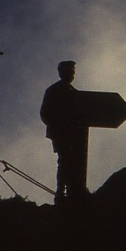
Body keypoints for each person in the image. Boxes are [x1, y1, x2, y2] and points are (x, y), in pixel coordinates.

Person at [40, 60, 88, 204]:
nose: (71, 75)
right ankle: (61, 192)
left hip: (75, 134)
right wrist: (58, 125)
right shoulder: (53, 91)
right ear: (61, 73)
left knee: (74, 161)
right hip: (61, 134)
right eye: (69, 72)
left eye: (73, 72)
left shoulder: (75, 93)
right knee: (65, 161)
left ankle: (74, 190)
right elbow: (44, 113)